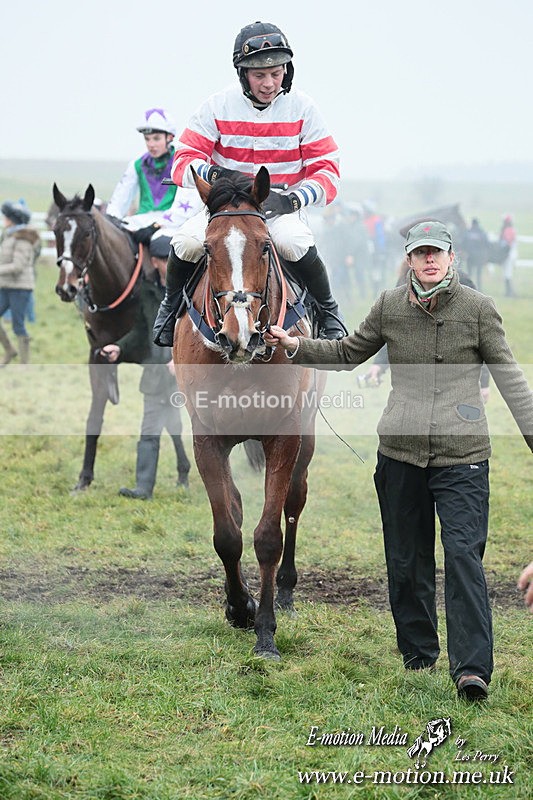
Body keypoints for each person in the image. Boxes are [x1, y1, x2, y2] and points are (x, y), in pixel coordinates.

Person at [265, 220, 533, 702]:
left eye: (438, 252)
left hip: (463, 458)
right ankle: (418, 655)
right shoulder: (389, 305)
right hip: (400, 456)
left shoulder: (478, 310)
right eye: (420, 253)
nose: (430, 260)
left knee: (463, 560)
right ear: (408, 259)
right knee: (406, 562)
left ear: (453, 259)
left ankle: (471, 670)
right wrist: (296, 347)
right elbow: (349, 353)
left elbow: (511, 380)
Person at [153, 20, 345, 346]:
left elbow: (328, 170)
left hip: (278, 211)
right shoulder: (216, 106)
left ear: (288, 69)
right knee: (185, 242)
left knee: (295, 242)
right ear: (243, 74)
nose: (269, 83)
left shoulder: (304, 108)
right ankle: (169, 309)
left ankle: (329, 313)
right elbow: (182, 160)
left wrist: (291, 201)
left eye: (277, 72)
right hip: (223, 209)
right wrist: (217, 177)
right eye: (259, 75)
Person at [99, 244, 191, 499]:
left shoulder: (192, 288)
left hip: (189, 374)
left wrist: (180, 359)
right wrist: (119, 348)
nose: (169, 263)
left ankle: (191, 470)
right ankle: (143, 487)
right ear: (155, 262)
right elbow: (141, 331)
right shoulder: (147, 293)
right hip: (155, 375)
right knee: (151, 428)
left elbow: (198, 330)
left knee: (184, 427)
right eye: (164, 258)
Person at [106, 108, 202, 259]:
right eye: (147, 139)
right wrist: (111, 220)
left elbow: (186, 208)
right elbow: (119, 201)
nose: (151, 144)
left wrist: (155, 226)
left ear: (169, 137)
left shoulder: (182, 163)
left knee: (160, 245)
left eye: (156, 138)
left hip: (172, 224)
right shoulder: (137, 165)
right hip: (141, 221)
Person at [0, 199, 40, 365]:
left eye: (6, 217)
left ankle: (25, 364)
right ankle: (10, 350)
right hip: (5, 286)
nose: (4, 219)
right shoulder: (9, 236)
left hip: (20, 288)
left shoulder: (23, 240)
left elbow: (18, 266)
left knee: (18, 326)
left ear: (12, 219)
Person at [462, 218, 489, 292]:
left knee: (470, 274)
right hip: (479, 257)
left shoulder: (468, 232)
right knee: (478, 274)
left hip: (470, 256)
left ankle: (470, 288)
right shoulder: (482, 233)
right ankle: (479, 289)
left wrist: (465, 252)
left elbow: (463, 243)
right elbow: (487, 244)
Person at [499, 214, 517, 297]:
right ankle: (509, 292)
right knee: (507, 273)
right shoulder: (511, 229)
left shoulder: (507, 230)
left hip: (508, 254)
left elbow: (507, 242)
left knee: (507, 273)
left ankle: (509, 292)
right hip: (510, 254)